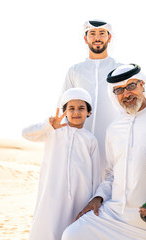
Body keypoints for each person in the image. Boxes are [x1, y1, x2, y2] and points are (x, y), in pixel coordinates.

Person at [61, 64, 146, 240]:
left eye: (131, 86)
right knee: (72, 234)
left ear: (142, 85)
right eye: (119, 90)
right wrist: (98, 197)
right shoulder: (113, 129)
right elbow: (112, 173)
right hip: (115, 215)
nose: (126, 94)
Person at [22, 88, 101, 240]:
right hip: (52, 194)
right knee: (48, 230)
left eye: (81, 108)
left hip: (80, 196)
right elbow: (26, 134)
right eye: (71, 108)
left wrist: (94, 198)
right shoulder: (52, 132)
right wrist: (48, 125)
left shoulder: (90, 139)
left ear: (88, 112)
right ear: (64, 111)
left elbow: (95, 174)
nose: (76, 112)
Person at [58, 19, 123, 177]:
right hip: (80, 141)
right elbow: (62, 107)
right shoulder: (75, 71)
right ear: (86, 38)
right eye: (92, 33)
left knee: (110, 186)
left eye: (102, 33)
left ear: (109, 37)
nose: (97, 37)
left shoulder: (119, 69)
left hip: (113, 141)